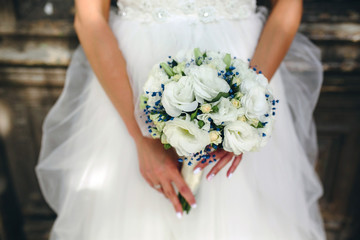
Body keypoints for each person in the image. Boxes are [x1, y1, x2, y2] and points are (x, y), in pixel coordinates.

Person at [35, 0, 326, 239]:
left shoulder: (244, 96)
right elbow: (89, 17)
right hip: (133, 81)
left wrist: (245, 107)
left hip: (242, 66)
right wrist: (140, 134)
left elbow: (288, 6)